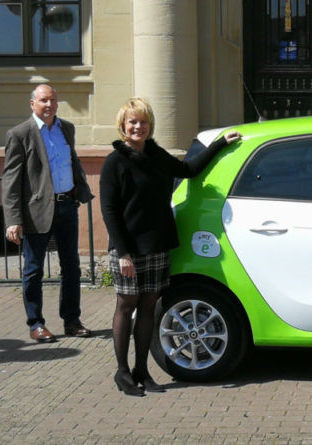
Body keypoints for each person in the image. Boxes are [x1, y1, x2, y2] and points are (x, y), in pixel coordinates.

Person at [100, 98, 241, 396]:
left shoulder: (155, 154)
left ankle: (142, 370)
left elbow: (188, 169)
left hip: (156, 244)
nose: (138, 127)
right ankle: (122, 372)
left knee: (149, 307)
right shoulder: (115, 161)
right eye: (133, 122)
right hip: (128, 250)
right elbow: (109, 210)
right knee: (126, 307)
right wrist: (122, 253)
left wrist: (218, 145)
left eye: (143, 122)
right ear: (124, 125)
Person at [2, 84, 94, 343]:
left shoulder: (67, 128)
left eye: (53, 100)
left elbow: (71, 161)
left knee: (72, 267)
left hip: (67, 206)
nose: (49, 105)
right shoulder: (20, 134)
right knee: (33, 270)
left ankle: (72, 321)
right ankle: (36, 324)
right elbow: (11, 180)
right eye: (43, 100)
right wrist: (13, 220)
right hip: (36, 211)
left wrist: (79, 190)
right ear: (32, 103)